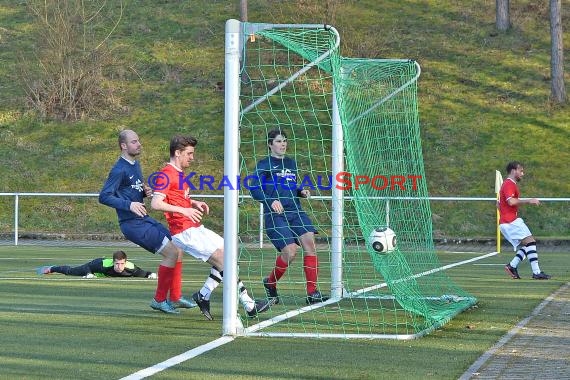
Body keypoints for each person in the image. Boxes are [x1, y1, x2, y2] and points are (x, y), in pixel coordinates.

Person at [150, 135, 272, 320]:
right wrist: (184, 211)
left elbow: (176, 198)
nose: (192, 157)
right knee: (225, 261)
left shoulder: (178, 173)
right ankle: (249, 305)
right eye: (189, 154)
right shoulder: (166, 174)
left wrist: (193, 203)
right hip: (184, 231)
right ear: (177, 153)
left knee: (229, 254)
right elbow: (156, 203)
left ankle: (203, 295)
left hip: (193, 226)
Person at [99, 129, 196, 314]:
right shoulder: (119, 169)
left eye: (139, 141)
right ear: (124, 146)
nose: (139, 144)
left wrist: (144, 193)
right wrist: (129, 204)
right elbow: (104, 196)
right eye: (134, 142)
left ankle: (175, 297)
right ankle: (159, 300)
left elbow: (132, 189)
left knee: (179, 248)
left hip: (143, 219)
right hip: (132, 224)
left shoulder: (134, 165)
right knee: (171, 253)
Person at [250, 128, 329, 305]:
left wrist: (301, 191)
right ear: (270, 144)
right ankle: (270, 282)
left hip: (296, 211)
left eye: (284, 140)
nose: (283, 144)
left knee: (310, 244)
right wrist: (270, 201)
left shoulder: (291, 163)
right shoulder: (264, 164)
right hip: (276, 215)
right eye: (278, 141)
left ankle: (312, 293)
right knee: (290, 252)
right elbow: (254, 189)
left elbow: (291, 186)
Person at [499, 161, 551, 280]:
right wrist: (529, 201)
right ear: (513, 171)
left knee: (528, 244)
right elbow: (511, 201)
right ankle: (536, 272)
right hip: (510, 221)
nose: (522, 173)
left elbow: (498, 204)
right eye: (520, 170)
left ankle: (512, 266)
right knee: (531, 242)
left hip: (508, 221)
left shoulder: (508, 184)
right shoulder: (509, 184)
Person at [36, 250, 157, 279]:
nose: (119, 266)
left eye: (121, 263)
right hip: (93, 267)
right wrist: (88, 274)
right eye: (117, 263)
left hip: (101, 274)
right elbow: (89, 268)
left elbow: (144, 273)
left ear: (125, 262)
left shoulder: (131, 268)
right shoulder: (103, 264)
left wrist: (151, 274)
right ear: (113, 261)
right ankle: (51, 268)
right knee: (71, 272)